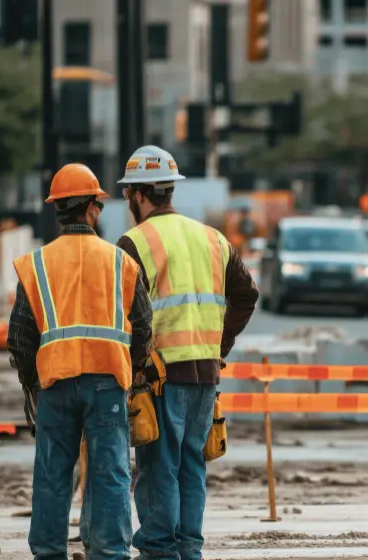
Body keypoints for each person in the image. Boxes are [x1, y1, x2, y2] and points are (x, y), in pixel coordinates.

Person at [115, 145, 259, 560]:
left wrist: (133, 367)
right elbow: (247, 295)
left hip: (160, 378)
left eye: (128, 196)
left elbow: (123, 313)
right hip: (205, 376)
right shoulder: (214, 239)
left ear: (137, 195)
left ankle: (160, 550)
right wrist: (219, 346)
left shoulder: (133, 243)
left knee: (158, 467)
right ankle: (188, 549)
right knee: (192, 464)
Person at [7, 163, 154, 559]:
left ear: (58, 209)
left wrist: (32, 385)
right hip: (108, 383)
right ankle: (110, 552)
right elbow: (143, 327)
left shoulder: (38, 264)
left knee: (52, 474)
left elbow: (19, 336)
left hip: (55, 384)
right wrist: (130, 370)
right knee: (111, 473)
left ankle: (48, 552)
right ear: (91, 208)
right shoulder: (120, 262)